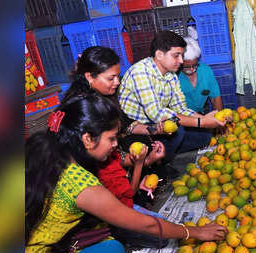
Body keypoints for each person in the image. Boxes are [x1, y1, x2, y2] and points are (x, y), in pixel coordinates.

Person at [25, 95, 228, 253]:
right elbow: (146, 224)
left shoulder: (45, 152)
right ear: (87, 139)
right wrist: (193, 232)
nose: (115, 145)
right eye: (111, 138)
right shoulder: (80, 183)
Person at [63, 46, 165, 210]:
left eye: (118, 77)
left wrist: (153, 133)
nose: (117, 82)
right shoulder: (87, 108)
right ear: (89, 76)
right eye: (111, 78)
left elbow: (125, 125)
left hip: (101, 159)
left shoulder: (102, 97)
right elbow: (109, 155)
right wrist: (140, 163)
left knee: (142, 141)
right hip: (94, 176)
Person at [119, 30, 225, 164]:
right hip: (136, 130)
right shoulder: (140, 73)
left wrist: (206, 119)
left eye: (181, 55)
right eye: (176, 55)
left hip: (158, 126)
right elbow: (157, 114)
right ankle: (158, 163)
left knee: (204, 136)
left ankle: (166, 153)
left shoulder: (170, 75)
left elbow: (180, 107)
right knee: (178, 129)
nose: (181, 61)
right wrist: (201, 122)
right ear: (159, 55)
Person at [178, 36, 223, 113]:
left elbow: (215, 98)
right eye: (187, 66)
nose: (192, 69)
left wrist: (220, 118)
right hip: (182, 116)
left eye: (195, 65)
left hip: (201, 114)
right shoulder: (173, 76)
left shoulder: (205, 71)